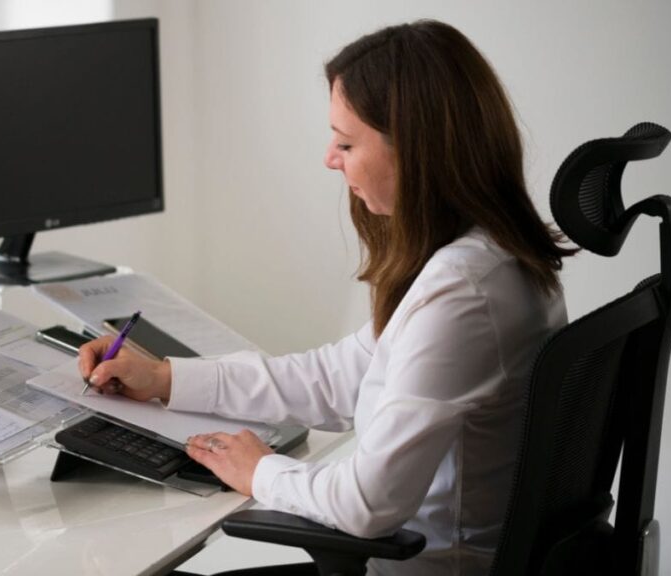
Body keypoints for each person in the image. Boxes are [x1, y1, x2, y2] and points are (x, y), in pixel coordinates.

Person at [78, 19, 575, 576]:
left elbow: (367, 505)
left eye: (346, 142)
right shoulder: (490, 257)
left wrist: (259, 470)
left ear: (415, 150)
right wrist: (168, 379)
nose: (330, 159)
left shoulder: (463, 295)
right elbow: (339, 377)